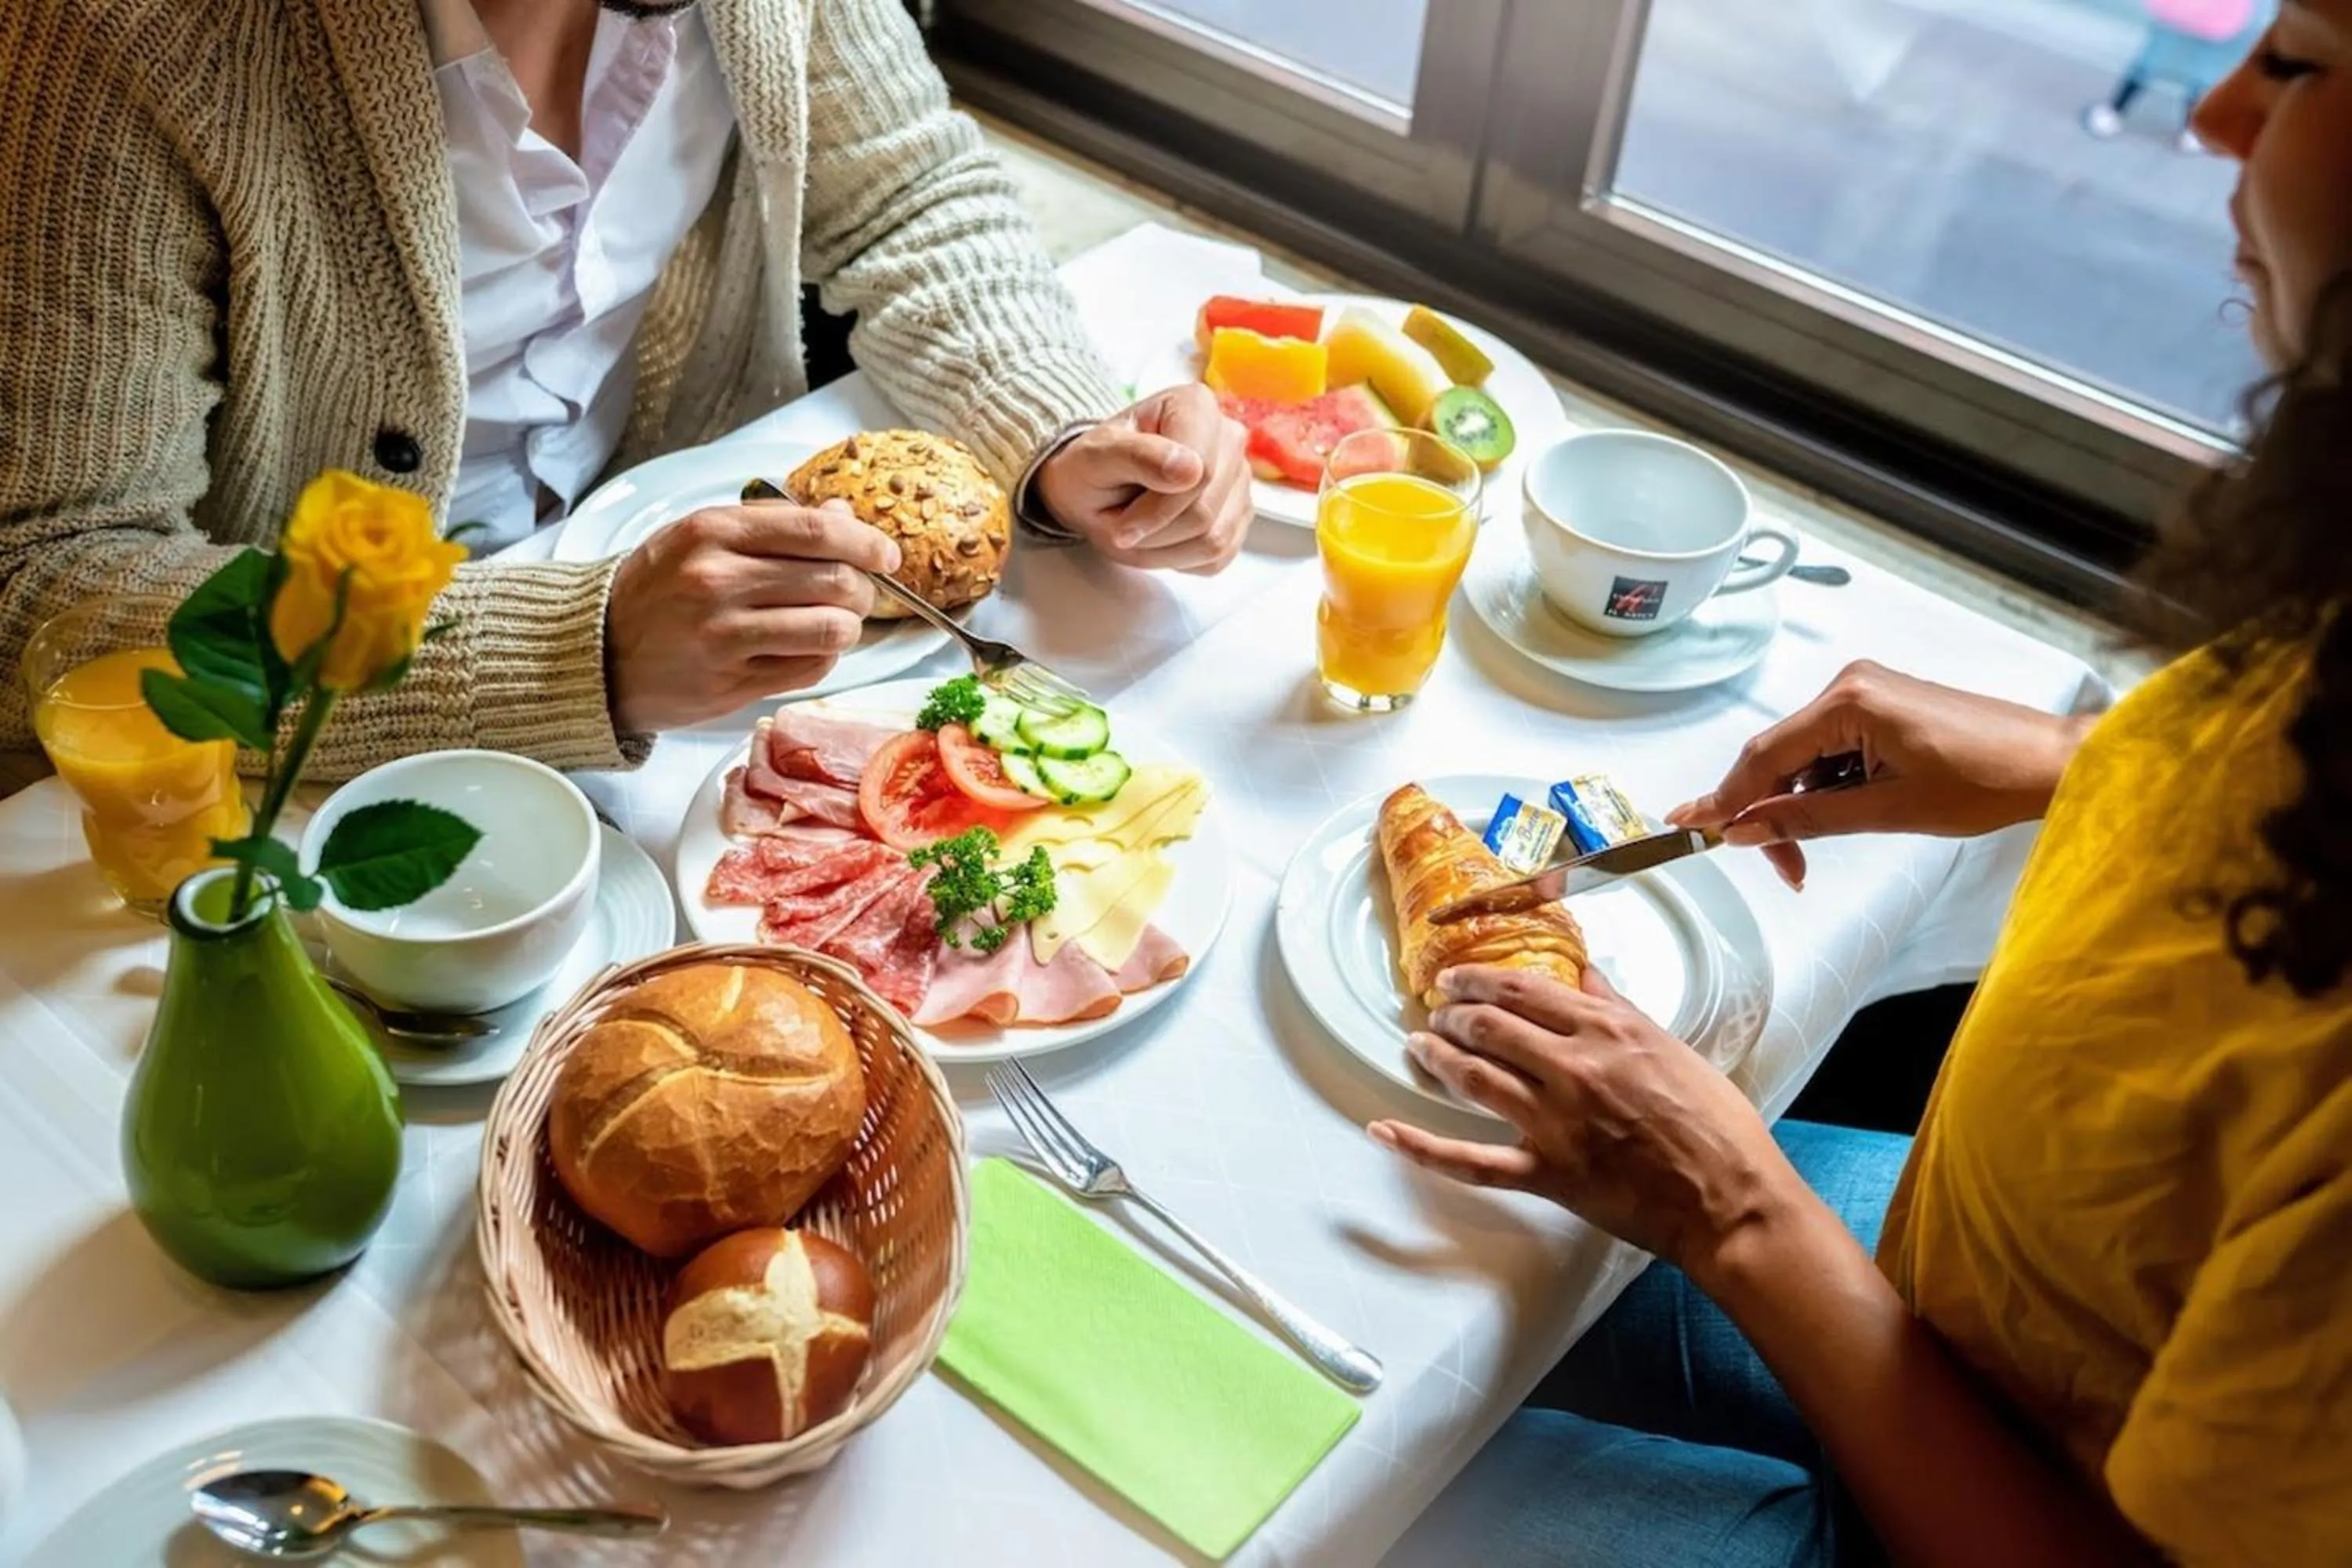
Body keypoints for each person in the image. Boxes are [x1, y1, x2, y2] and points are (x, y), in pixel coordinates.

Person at [1382, 7, 2351, 1564]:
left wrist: (1735, 1213)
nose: (2217, 114)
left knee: (1329, 1469)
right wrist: (2085, 766)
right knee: (1409, 1260)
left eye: (2300, 60)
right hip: (1967, 1292)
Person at [0, 0, 1254, 782]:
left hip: (721, 703)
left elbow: (905, 197)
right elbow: (43, 577)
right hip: (298, 765)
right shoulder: (123, 38)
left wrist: (1060, 427)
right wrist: (572, 652)